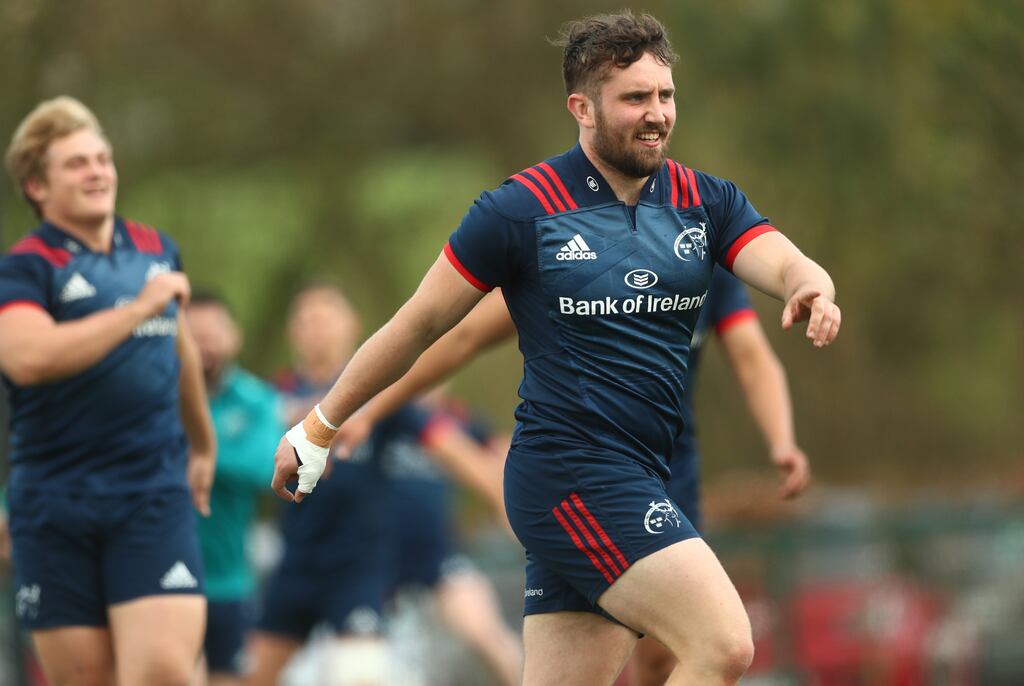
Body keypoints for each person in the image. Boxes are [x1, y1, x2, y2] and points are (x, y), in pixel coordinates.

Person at [271, 11, 840, 686]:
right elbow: (422, 326)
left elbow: (782, 261)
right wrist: (320, 424)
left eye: (665, 96)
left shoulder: (704, 202)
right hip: (571, 477)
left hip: (640, 475)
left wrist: (812, 285)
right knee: (723, 644)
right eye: (635, 98)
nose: (656, 114)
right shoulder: (519, 212)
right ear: (582, 107)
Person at [331, 267, 809, 685]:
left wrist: (781, 439)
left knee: (669, 656)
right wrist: (372, 410)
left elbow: (751, 355)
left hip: (670, 476)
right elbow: (461, 335)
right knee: (711, 644)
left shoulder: (705, 254)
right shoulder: (567, 247)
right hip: (586, 481)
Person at [0, 96, 216, 686]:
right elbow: (28, 358)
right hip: (53, 505)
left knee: (162, 674)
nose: (97, 172)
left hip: (150, 493)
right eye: (76, 164)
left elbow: (180, 350)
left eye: (103, 158)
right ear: (36, 186)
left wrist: (202, 442)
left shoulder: (154, 248)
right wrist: (137, 308)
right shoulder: (23, 268)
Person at [251, 283, 515, 686]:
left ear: (352, 325)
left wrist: (502, 498)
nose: (316, 327)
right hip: (296, 563)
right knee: (252, 675)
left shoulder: (375, 390)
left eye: (326, 316)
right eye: (306, 319)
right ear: (292, 333)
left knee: (363, 675)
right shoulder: (268, 398)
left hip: (359, 566)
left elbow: (451, 447)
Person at [186, 292, 281, 686]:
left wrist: (196, 450)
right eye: (194, 334)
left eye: (214, 333)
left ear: (234, 336)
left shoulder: (257, 400)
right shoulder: (154, 395)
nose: (205, 343)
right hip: (158, 579)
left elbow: (263, 468)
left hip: (228, 580)